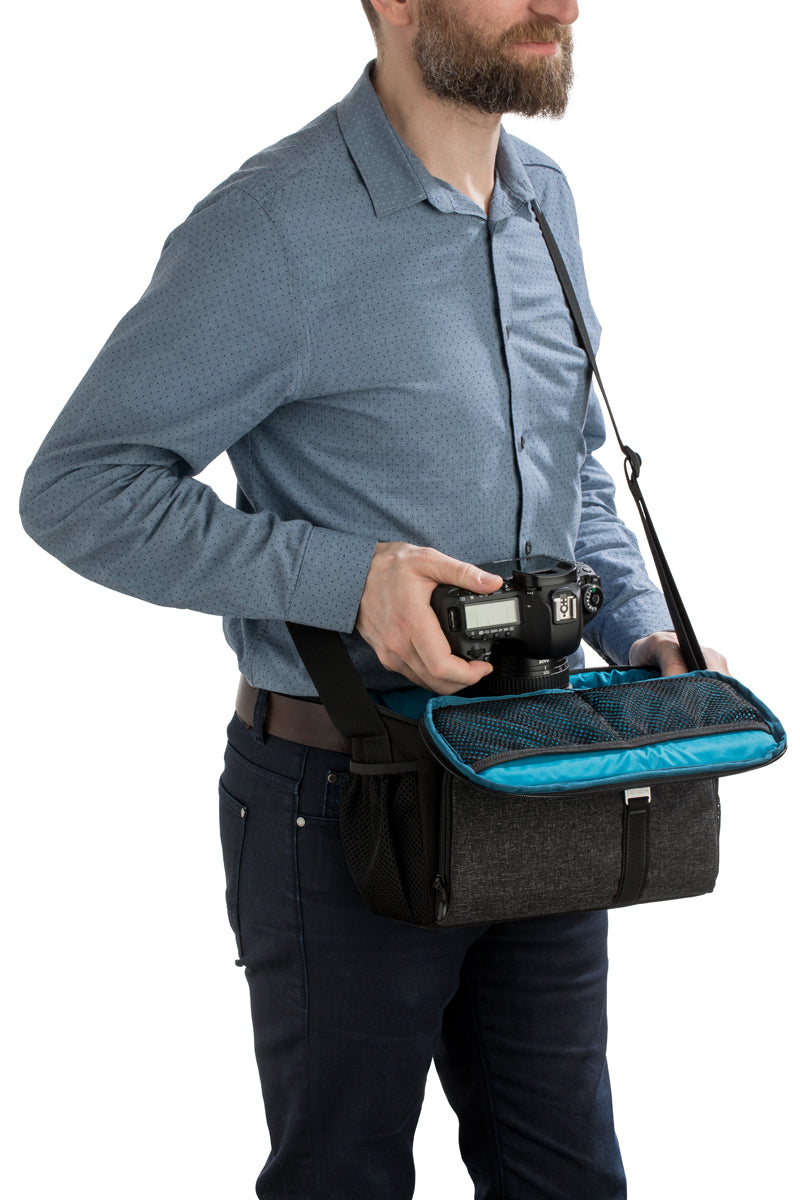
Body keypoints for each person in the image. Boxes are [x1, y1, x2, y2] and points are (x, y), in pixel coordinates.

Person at [20, 1, 728, 1196]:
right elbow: (79, 489)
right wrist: (349, 581)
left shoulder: (545, 201)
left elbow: (570, 468)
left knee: (567, 1178)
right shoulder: (273, 226)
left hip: (539, 770)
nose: (560, 4)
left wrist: (639, 625)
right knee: (340, 1180)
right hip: (343, 794)